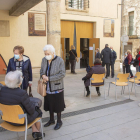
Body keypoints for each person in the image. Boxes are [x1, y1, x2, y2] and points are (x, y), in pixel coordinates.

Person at [0, 71, 43, 140]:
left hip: (7, 119)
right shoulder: (22, 93)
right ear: (19, 83)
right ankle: (37, 133)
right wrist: (35, 105)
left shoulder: (2, 90)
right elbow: (31, 111)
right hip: (20, 121)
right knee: (38, 111)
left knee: (25, 109)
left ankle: (35, 130)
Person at [40, 44, 65, 130]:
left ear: (53, 53)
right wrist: (43, 75)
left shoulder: (60, 60)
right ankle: (51, 120)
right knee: (50, 104)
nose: (46, 55)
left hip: (57, 87)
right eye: (45, 54)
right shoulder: (44, 60)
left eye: (48, 54)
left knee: (58, 105)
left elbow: (62, 74)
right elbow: (41, 70)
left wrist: (49, 78)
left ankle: (59, 121)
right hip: (47, 87)